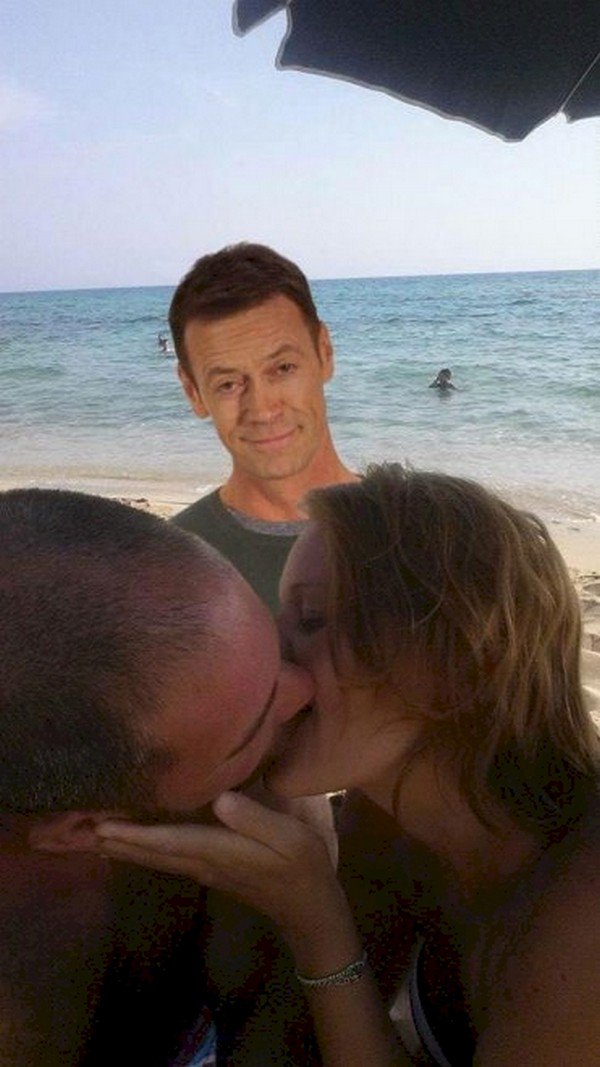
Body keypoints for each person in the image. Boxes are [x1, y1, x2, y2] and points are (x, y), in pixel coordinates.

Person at [98, 464, 600, 1065]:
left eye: (311, 621)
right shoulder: (394, 813)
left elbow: (333, 975)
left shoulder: (580, 921)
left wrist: (315, 916)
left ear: (459, 665)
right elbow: (303, 1031)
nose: (270, 656)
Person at [0, 487, 324, 1066]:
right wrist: (310, 920)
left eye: (274, 646)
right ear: (82, 829)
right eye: (253, 727)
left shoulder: (216, 797)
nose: (304, 687)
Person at [168, 242, 357, 613]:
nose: (262, 409)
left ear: (324, 352)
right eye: (228, 384)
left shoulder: (424, 536)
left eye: (283, 368)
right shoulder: (169, 571)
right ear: (194, 393)